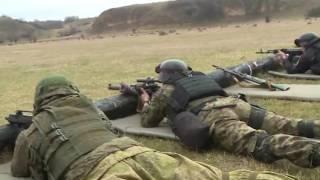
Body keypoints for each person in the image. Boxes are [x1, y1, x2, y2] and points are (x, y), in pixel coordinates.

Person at [10, 75, 297, 180]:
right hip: (138, 152)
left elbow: (19, 169)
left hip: (96, 172)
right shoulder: (90, 110)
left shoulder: (34, 130)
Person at [138, 59, 320, 168]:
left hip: (214, 114)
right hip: (237, 104)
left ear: (165, 75)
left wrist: (145, 100)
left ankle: (314, 152)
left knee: (257, 142)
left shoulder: (166, 90)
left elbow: (148, 120)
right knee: (289, 124)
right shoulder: (201, 77)